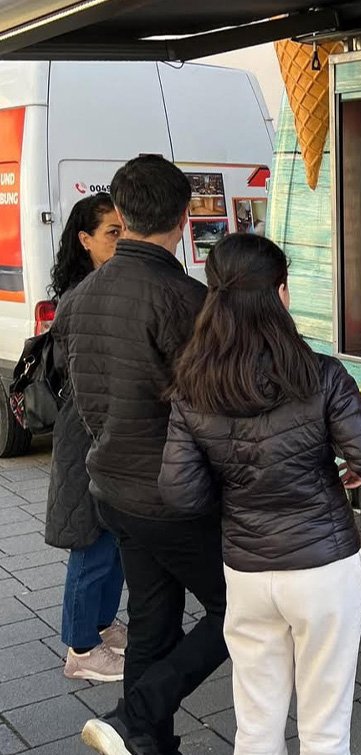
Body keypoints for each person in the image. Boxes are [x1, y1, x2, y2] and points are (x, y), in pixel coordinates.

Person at [158, 233, 361, 755]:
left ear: (213, 295)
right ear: (281, 294)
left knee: (256, 723)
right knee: (325, 727)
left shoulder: (191, 388)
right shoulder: (319, 374)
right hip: (324, 566)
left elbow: (179, 494)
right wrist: (346, 468)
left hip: (246, 570)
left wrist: (234, 481)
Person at [51, 155, 227, 755]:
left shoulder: (77, 299)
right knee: (243, 609)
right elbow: (213, 407)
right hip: (171, 493)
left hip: (114, 487)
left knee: (153, 618)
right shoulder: (189, 299)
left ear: (122, 217)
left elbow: (79, 397)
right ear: (185, 216)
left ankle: (149, 742)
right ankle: (136, 715)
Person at [45, 193, 127, 683]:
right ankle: (80, 649)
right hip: (87, 436)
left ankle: (100, 624)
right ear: (85, 240)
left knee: (113, 538)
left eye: (125, 231)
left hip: (108, 433)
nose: (121, 241)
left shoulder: (107, 287)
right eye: (112, 234)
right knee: (90, 541)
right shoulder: (84, 297)